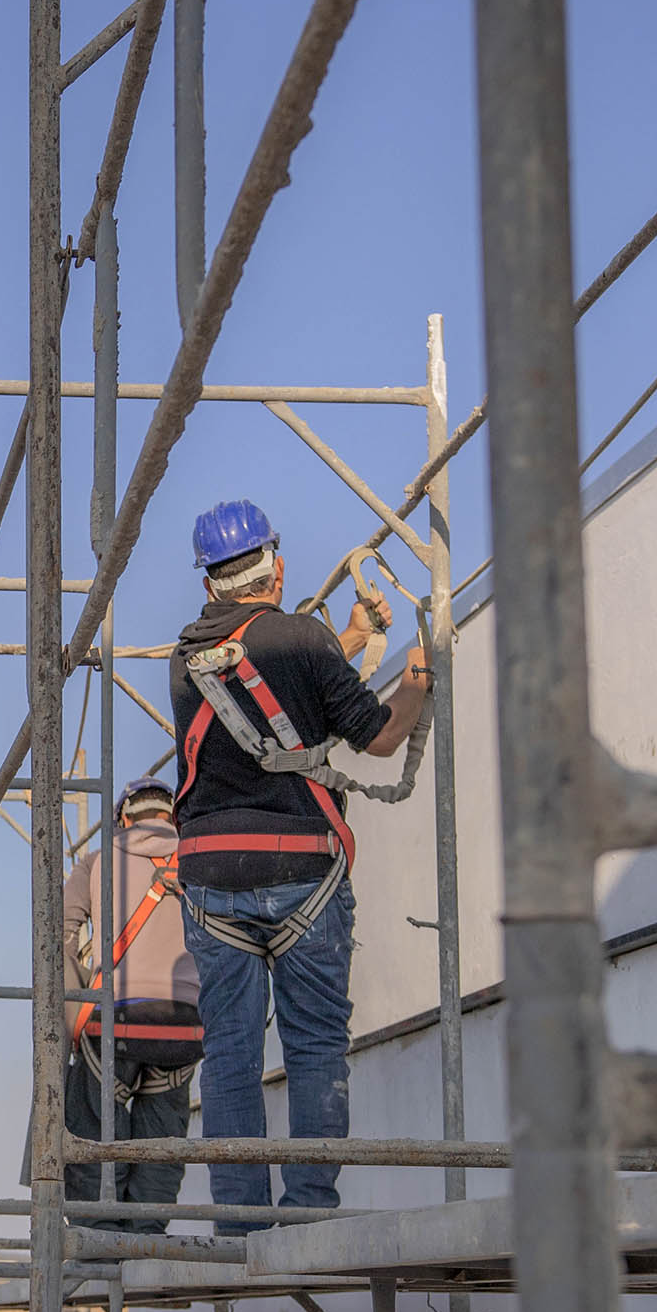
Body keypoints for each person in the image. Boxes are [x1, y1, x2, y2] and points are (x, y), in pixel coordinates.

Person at [166, 499, 431, 1216]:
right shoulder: (303, 639)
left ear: (209, 584)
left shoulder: (186, 661)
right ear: (276, 568)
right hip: (303, 871)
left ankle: (241, 1224)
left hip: (212, 873)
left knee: (230, 1055)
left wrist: (349, 636)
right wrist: (417, 678)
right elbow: (379, 737)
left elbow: (263, 680)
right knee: (314, 1047)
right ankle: (309, 1211)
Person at [61, 778, 202, 1229]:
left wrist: (74, 1008)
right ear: (172, 816)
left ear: (123, 818)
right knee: (162, 1143)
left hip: (115, 1023)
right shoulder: (199, 859)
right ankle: (147, 1240)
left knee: (94, 1134)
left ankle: (99, 1242)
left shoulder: (98, 861)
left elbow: (58, 934)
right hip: (184, 1027)